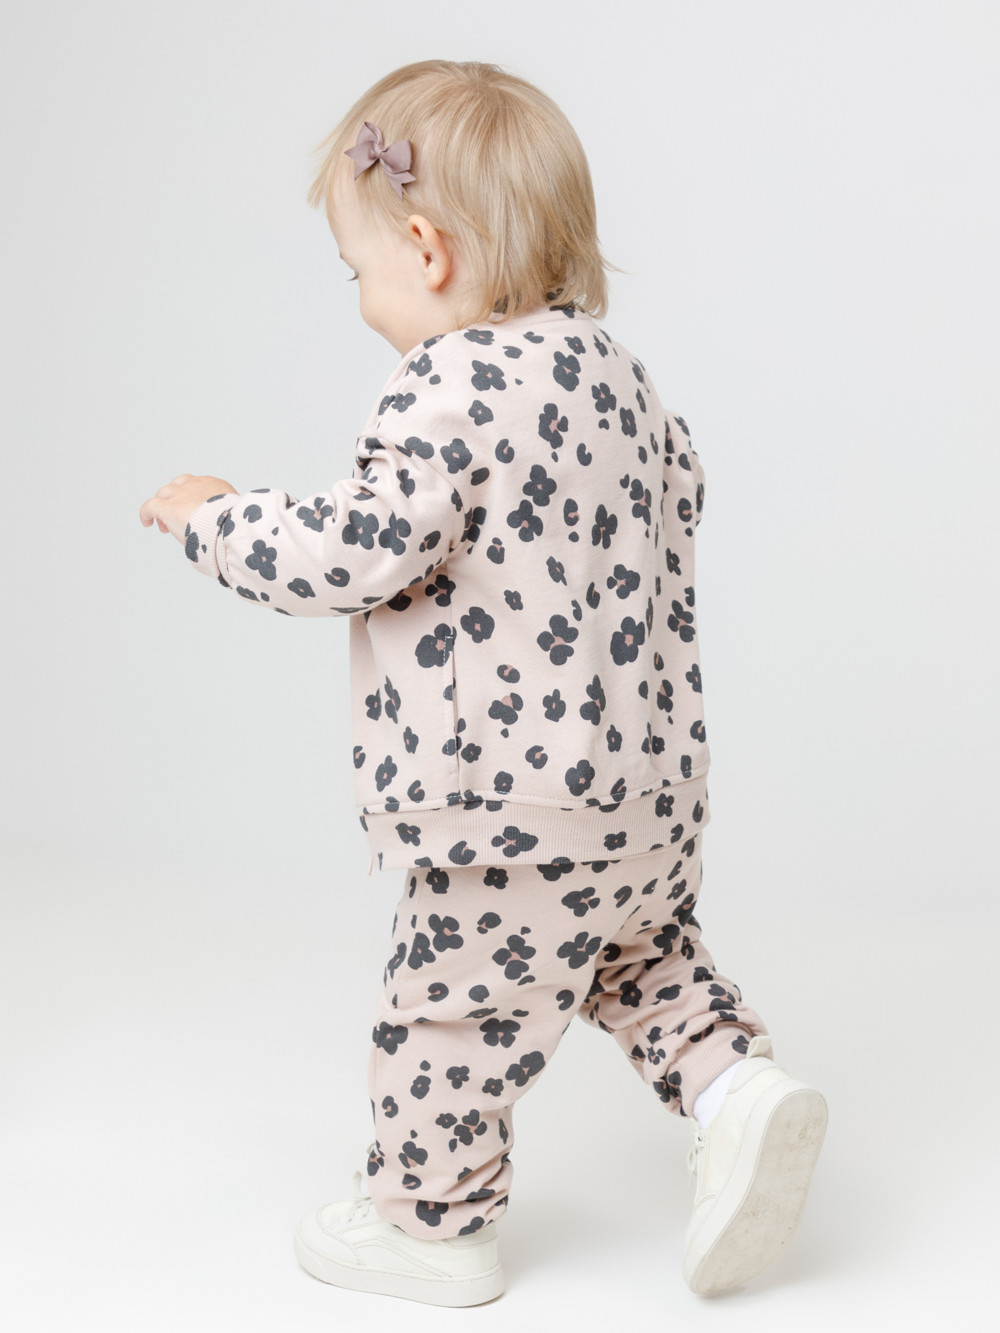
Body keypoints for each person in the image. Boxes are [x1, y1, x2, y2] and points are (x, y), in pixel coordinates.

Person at [138, 59, 827, 1308]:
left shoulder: (446, 387)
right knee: (640, 959)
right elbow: (681, 501)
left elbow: (356, 550)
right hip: (649, 793)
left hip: (506, 806)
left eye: (356, 272)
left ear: (425, 249)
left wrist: (217, 518)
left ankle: (430, 1226)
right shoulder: (624, 379)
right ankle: (739, 1089)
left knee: (447, 1013)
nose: (362, 300)